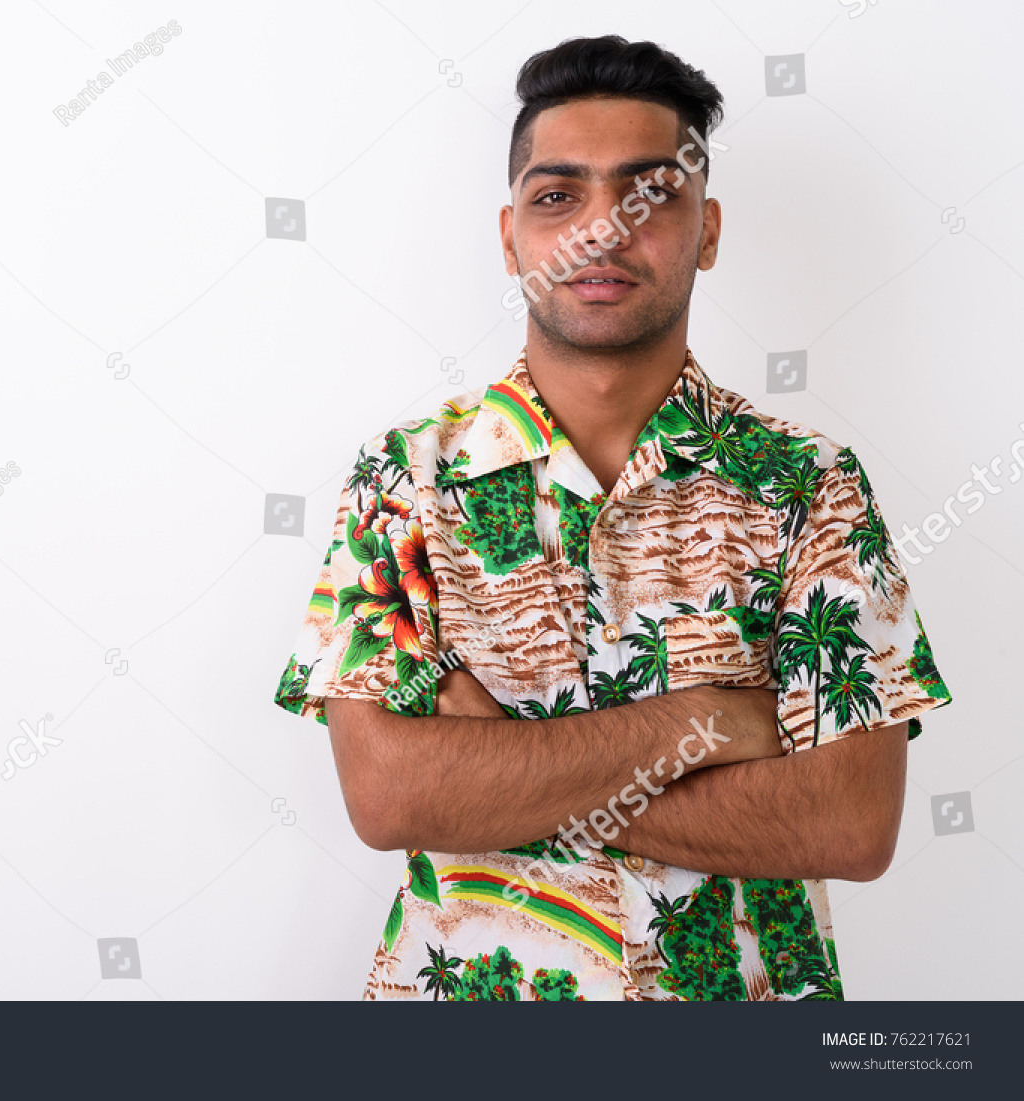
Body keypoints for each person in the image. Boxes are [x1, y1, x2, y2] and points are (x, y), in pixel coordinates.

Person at [272, 34, 951, 1001]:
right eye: (559, 196)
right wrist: (706, 719)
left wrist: (503, 760)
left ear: (707, 230)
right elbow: (389, 796)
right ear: (510, 236)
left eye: (649, 192)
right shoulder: (406, 479)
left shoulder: (810, 485)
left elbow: (848, 823)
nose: (602, 229)